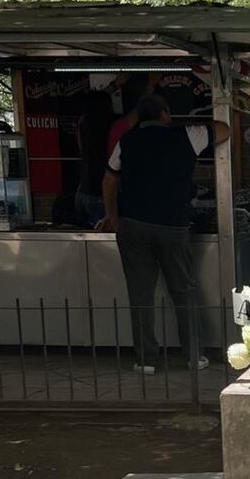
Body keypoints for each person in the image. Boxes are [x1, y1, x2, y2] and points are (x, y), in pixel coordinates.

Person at [99, 94, 230, 375]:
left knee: (140, 294)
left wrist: (113, 215)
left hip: (133, 226)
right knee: (183, 291)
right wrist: (183, 126)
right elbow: (224, 129)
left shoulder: (126, 141)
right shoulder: (186, 135)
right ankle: (194, 355)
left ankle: (145, 360)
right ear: (165, 115)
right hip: (173, 226)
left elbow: (110, 178)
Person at [75, 90, 116, 228]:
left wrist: (114, 85)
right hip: (99, 193)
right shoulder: (111, 126)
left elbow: (80, 147)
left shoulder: (83, 122)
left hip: (82, 190)